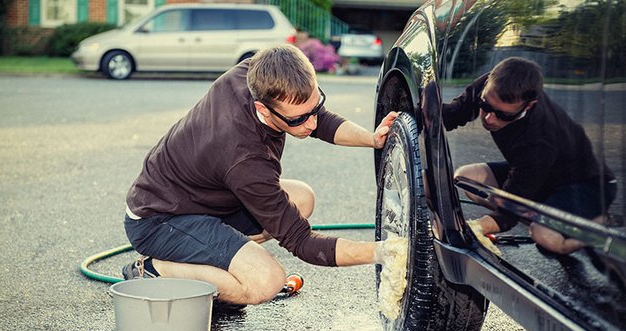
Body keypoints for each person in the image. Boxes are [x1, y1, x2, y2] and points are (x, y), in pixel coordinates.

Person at [122, 44, 405, 305]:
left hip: (201, 200)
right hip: (159, 220)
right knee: (266, 282)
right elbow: (302, 242)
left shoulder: (257, 72)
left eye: (315, 107)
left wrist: (372, 138)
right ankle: (156, 270)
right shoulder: (245, 158)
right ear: (263, 110)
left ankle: (215, 263)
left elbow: (316, 120)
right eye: (298, 120)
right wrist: (383, 252)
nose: (312, 123)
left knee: (302, 199)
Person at [442, 57, 617, 255]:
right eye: (486, 106)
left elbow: (508, 212)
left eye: (503, 115)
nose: (489, 118)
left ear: (528, 106)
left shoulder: (539, 139)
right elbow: (452, 114)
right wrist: (406, 107)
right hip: (541, 175)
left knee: (544, 236)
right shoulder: (490, 87)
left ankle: (598, 225)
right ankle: (546, 216)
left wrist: (474, 228)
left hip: (585, 185)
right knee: (466, 178)